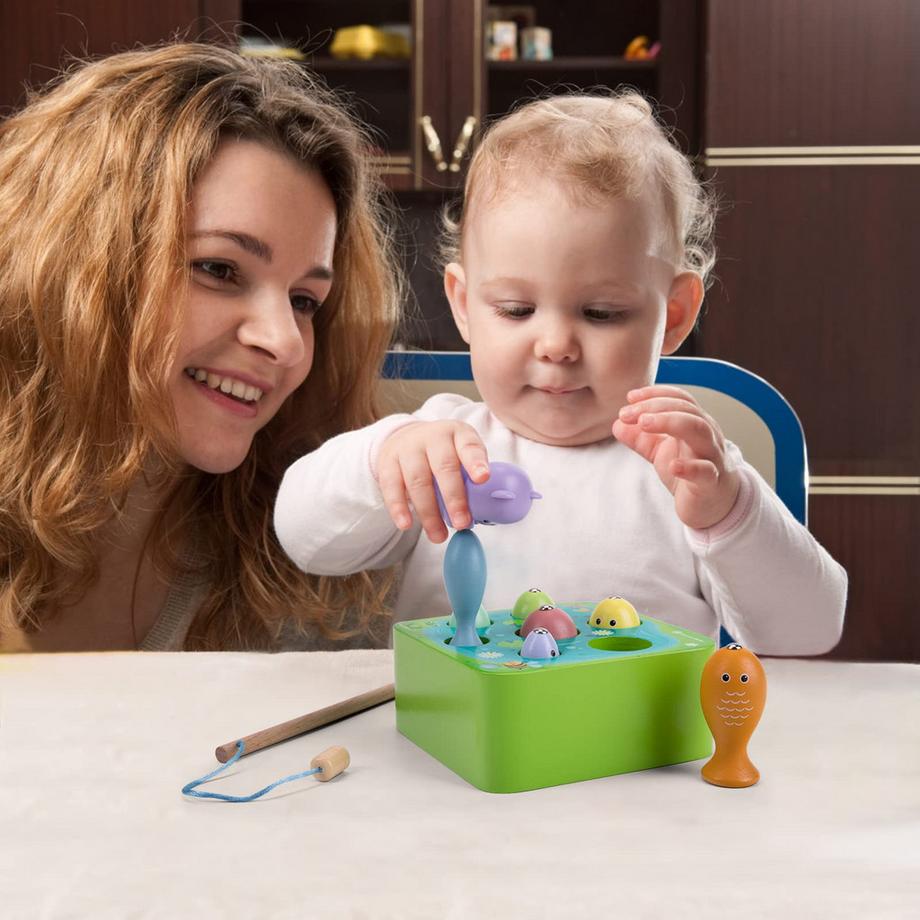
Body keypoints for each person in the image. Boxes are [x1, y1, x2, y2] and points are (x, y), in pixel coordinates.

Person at [274, 92, 847, 654]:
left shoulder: (687, 470)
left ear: (672, 316)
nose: (555, 345)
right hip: (457, 746)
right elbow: (304, 538)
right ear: (463, 304)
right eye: (516, 310)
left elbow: (809, 631)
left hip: (648, 751)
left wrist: (728, 512)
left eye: (601, 313)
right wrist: (384, 458)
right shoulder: (443, 445)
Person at [0, 43, 402, 652]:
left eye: (304, 301)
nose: (285, 343)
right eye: (218, 269)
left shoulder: (312, 560)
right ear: (68, 270)